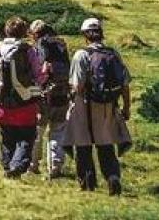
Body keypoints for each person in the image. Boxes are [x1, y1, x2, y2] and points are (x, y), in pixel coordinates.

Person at [62, 16, 131, 195]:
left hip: (84, 105)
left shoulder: (81, 55)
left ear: (85, 35)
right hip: (108, 106)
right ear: (101, 33)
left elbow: (77, 86)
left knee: (83, 146)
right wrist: (126, 107)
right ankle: (112, 177)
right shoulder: (113, 54)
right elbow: (125, 84)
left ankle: (87, 183)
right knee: (106, 146)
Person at [0, 15, 44, 178]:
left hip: (2, 102)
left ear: (6, 31)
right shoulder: (28, 50)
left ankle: (8, 167)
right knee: (26, 137)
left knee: (7, 138)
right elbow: (39, 75)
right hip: (25, 102)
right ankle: (17, 166)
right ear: (24, 32)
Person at [30, 19, 73, 179]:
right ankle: (55, 166)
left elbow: (41, 68)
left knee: (38, 129)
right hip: (62, 92)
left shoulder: (40, 44)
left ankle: (32, 164)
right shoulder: (61, 44)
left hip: (44, 93)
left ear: (35, 33)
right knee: (58, 129)